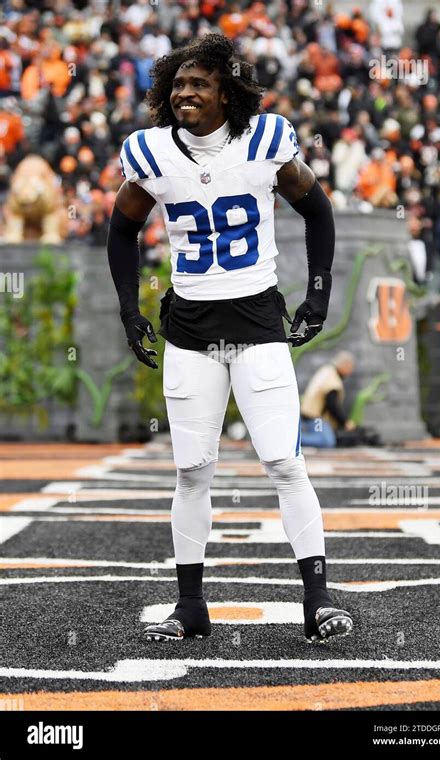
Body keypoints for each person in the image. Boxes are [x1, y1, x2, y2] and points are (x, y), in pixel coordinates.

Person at [107, 33, 353, 645]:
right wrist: (128, 310)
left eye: (199, 84)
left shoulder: (265, 141)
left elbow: (317, 210)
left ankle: (318, 601)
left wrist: (317, 294)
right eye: (178, 84)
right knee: (192, 471)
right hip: (190, 328)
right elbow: (121, 229)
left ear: (228, 92)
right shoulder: (152, 153)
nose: (185, 93)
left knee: (284, 462)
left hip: (257, 323)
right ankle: (190, 606)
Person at [300, 351, 357, 448]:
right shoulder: (333, 379)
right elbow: (332, 404)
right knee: (326, 441)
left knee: (325, 438)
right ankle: (293, 441)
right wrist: (345, 422)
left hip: (308, 415)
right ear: (344, 365)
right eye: (350, 367)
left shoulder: (327, 370)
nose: (350, 371)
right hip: (316, 419)